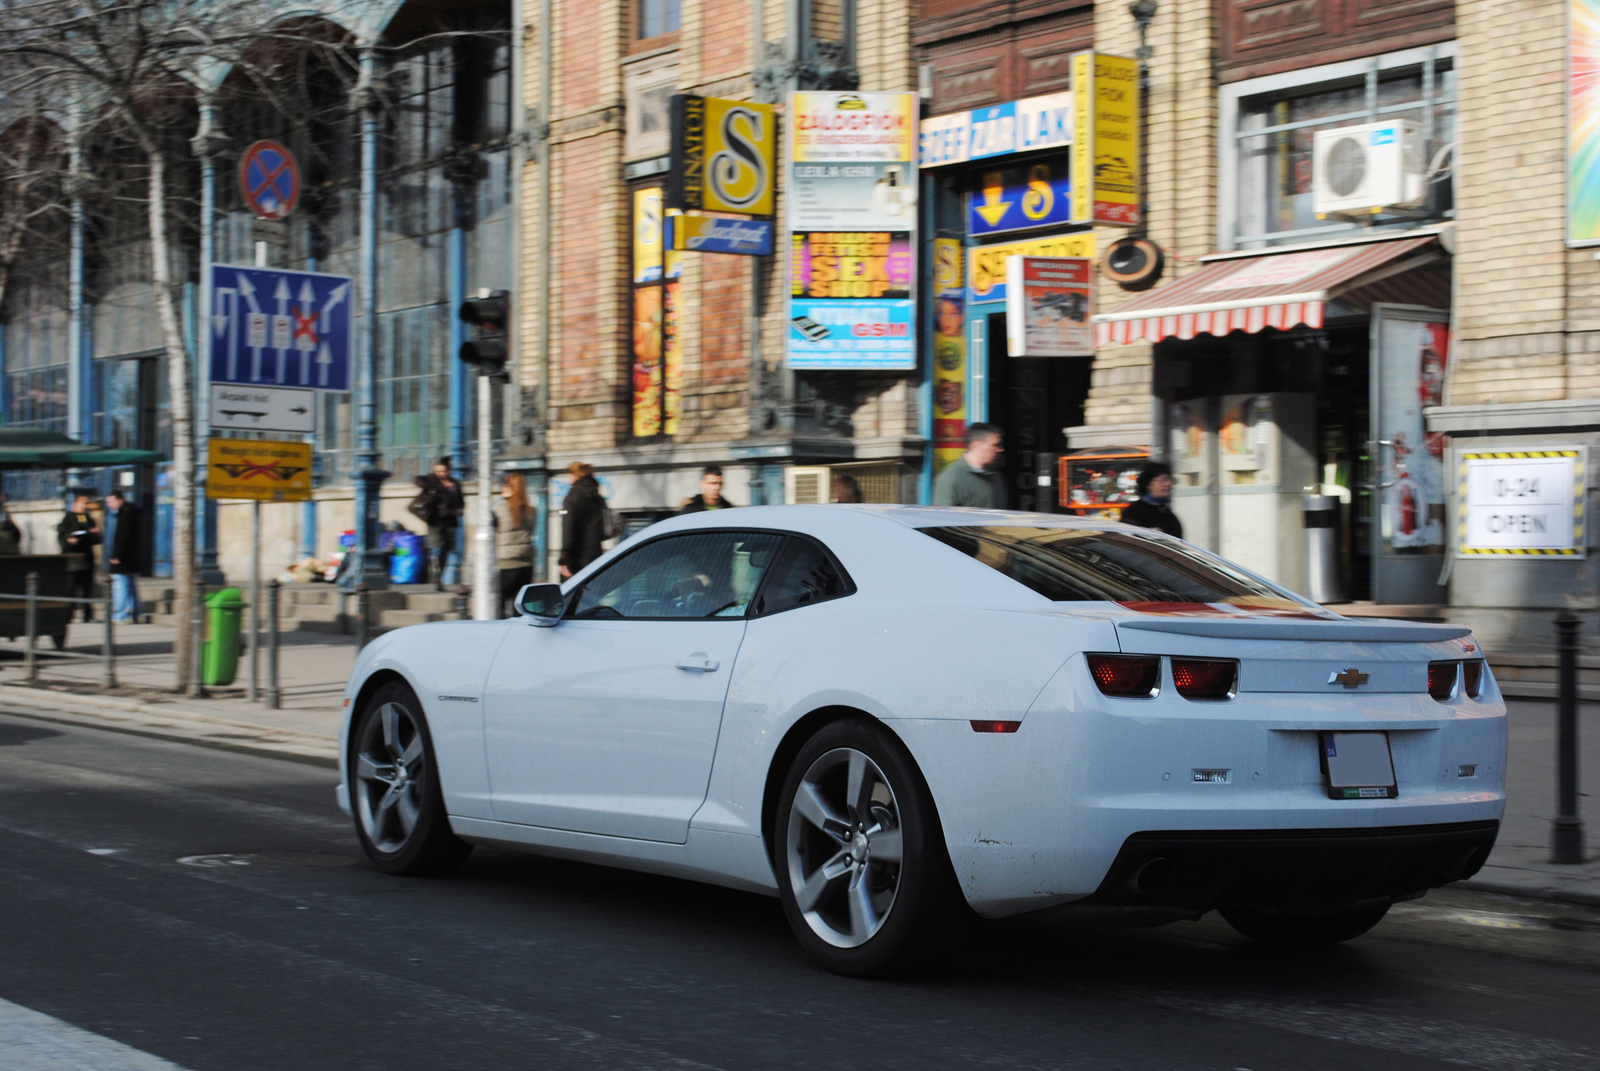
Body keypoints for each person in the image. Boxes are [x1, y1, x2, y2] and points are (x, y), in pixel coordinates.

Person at [413, 457, 465, 590]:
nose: (440, 474)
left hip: (450, 520)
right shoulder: (432, 481)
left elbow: (461, 502)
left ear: (448, 471)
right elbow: (417, 480)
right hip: (435, 520)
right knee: (437, 547)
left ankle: (439, 576)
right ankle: (435, 576)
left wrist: (459, 509)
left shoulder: (455, 484)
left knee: (446, 550)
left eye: (443, 471)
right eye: (437, 471)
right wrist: (430, 487)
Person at [932, 423, 1007, 509]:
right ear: (977, 446)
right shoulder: (951, 479)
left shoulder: (995, 476)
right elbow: (944, 518)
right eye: (995, 445)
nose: (1000, 449)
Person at [494, 472, 536, 617]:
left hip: (507, 562)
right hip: (526, 563)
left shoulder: (500, 508)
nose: (502, 486)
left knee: (499, 603)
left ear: (511, 488)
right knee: (519, 605)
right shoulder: (531, 510)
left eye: (505, 484)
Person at [56, 489, 101, 622]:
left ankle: (88, 615)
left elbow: (97, 540)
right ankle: (69, 614)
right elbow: (62, 538)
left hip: (87, 559)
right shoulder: (68, 519)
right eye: (83, 503)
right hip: (73, 560)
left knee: (87, 589)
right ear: (75, 503)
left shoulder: (89, 519)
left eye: (87, 503)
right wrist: (69, 541)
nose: (85, 506)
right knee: (71, 589)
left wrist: (94, 533)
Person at [559, 462, 606, 579]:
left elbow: (568, 529)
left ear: (575, 475)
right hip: (595, 554)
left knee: (571, 595)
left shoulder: (572, 497)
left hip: (576, 558)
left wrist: (565, 558)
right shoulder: (597, 497)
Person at [104, 489, 143, 622]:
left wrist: (117, 556)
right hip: (131, 556)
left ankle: (121, 614)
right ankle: (134, 612)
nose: (109, 505)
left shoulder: (125, 515)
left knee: (120, 585)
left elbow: (123, 537)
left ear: (119, 500)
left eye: (111, 501)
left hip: (123, 558)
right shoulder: (131, 512)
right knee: (130, 585)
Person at [1121, 462, 1184, 539]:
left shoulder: (1166, 512)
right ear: (1148, 483)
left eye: (1170, 479)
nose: (1168, 484)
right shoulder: (1135, 511)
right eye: (1164, 480)